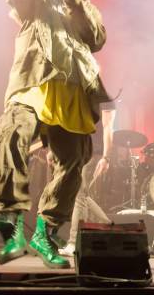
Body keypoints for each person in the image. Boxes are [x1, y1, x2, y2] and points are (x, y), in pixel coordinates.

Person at [0, 0, 110, 269]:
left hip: (71, 92)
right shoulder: (34, 1)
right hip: (34, 86)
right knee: (15, 131)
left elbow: (97, 39)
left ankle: (45, 232)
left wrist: (74, 1)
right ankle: (12, 225)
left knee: (74, 162)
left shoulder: (83, 6)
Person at [59, 105, 115, 256]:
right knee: (82, 196)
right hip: (79, 152)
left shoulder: (104, 98)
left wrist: (105, 157)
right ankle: (108, 226)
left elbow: (108, 127)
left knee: (79, 197)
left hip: (91, 153)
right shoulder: (83, 94)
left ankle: (73, 242)